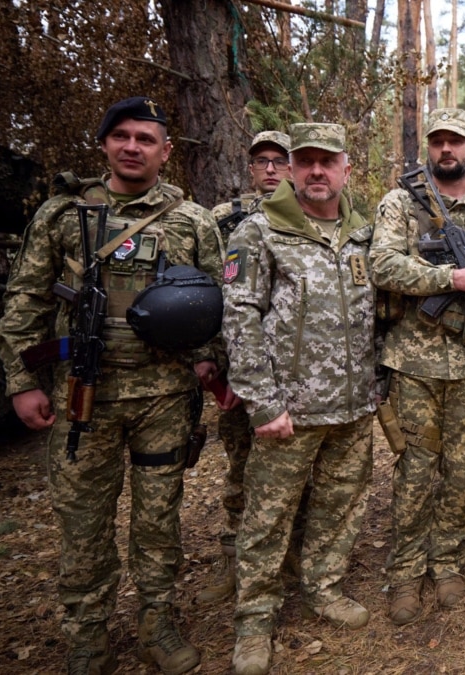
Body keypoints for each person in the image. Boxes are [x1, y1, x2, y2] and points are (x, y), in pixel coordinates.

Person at [0, 96, 220, 675]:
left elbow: (221, 304)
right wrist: (22, 380)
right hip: (83, 396)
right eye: (122, 136)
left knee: (157, 521)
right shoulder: (63, 215)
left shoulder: (191, 220)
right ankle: (88, 637)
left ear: (165, 152)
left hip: (164, 398)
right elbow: (26, 300)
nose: (133, 147)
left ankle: (156, 624)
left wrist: (209, 360)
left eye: (146, 139)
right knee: (84, 524)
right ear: (104, 145)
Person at [223, 123, 378, 675]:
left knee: (340, 508)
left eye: (326, 161)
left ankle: (324, 586)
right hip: (290, 410)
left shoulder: (364, 233)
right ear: (289, 168)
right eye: (305, 161)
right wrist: (263, 403)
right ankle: (254, 620)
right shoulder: (259, 232)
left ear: (345, 169)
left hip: (355, 406)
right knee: (267, 519)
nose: (316, 171)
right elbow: (239, 318)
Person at [370, 108, 465, 626]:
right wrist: (448, 280)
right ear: (427, 148)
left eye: (455, 141)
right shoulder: (399, 204)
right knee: (415, 471)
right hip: (414, 364)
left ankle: (448, 561)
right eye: (437, 141)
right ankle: (406, 573)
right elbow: (383, 266)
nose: (446, 150)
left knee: (460, 474)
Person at [198, 129, 293, 605]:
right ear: (251, 167)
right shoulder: (223, 220)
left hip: (293, 376)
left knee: (293, 474)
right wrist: (219, 370)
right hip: (240, 375)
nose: (271, 168)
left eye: (280, 159)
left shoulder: (308, 216)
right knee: (240, 470)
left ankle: (290, 562)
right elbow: (215, 298)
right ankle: (234, 565)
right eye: (262, 161)